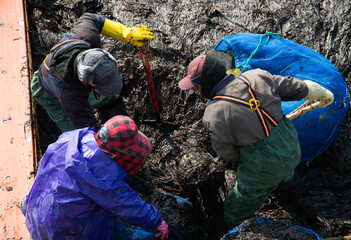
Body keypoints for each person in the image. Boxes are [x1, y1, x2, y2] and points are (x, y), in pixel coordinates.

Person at [178, 50, 334, 228]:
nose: (195, 90)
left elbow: (226, 152)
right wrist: (318, 92)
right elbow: (292, 87)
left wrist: (243, 158)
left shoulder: (213, 114)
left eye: (196, 85)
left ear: (206, 81)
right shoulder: (256, 76)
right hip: (290, 145)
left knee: (240, 203)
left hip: (262, 168)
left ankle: (229, 228)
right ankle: (285, 190)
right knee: (285, 173)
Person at [21, 115, 169, 240]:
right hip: (64, 233)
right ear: (117, 154)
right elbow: (125, 204)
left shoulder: (71, 139)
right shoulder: (102, 178)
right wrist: (157, 221)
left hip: (34, 215)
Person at [31, 13, 154, 132]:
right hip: (47, 92)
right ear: (86, 82)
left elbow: (93, 18)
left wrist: (126, 32)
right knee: (77, 136)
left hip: (73, 83)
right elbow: (89, 130)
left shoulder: (85, 36)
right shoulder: (71, 96)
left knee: (110, 95)